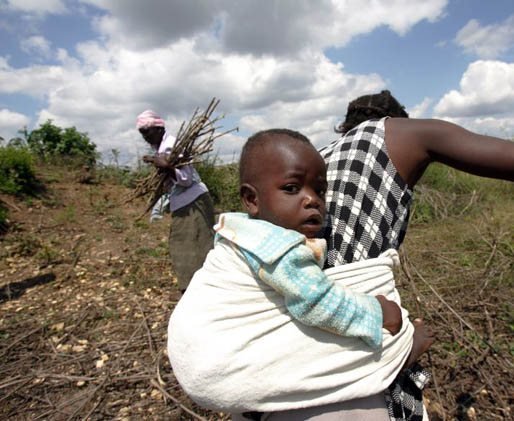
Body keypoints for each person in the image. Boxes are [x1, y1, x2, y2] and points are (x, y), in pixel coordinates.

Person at [258, 90, 514, 420]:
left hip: (278, 368)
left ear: (345, 126)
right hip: (346, 386)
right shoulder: (401, 133)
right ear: (395, 119)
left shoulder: (314, 162)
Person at [167, 129, 426, 416]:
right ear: (251, 199)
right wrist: (377, 312)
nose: (312, 200)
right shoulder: (278, 247)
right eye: (292, 188)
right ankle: (400, 355)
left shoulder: (237, 230)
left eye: (319, 190)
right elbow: (318, 303)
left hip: (188, 353)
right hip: (211, 368)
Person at [136, 110, 215, 295]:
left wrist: (167, 167)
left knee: (190, 247)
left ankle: (197, 292)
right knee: (193, 246)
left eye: (147, 131)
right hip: (185, 203)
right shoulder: (162, 148)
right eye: (142, 132)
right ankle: (197, 291)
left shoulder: (172, 145)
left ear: (159, 128)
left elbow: (186, 179)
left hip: (194, 203)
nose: (145, 136)